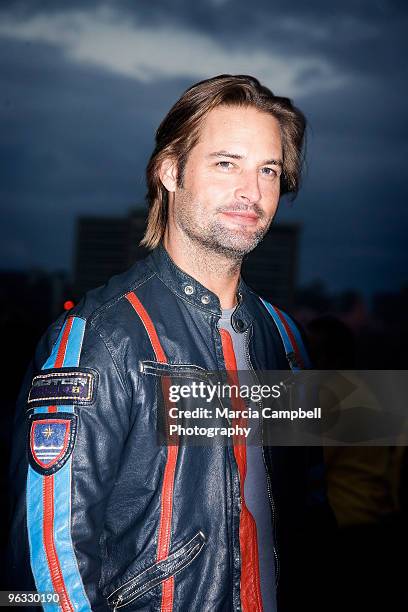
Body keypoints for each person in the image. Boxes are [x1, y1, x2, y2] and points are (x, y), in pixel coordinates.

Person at [8, 75, 333, 611]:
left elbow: (310, 507)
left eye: (268, 170)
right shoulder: (101, 336)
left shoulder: (284, 337)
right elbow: (44, 563)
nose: (251, 191)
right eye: (226, 163)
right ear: (170, 172)